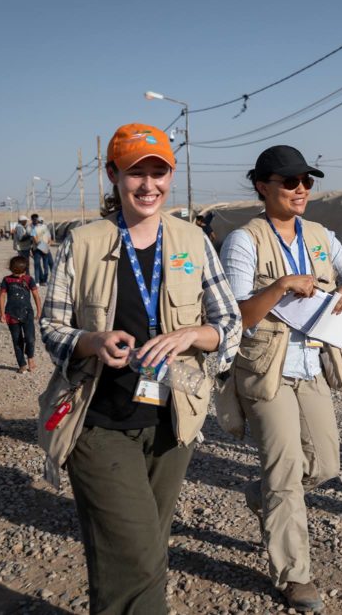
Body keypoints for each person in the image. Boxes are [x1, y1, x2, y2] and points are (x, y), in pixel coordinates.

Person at [37, 123, 241, 614]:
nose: (149, 185)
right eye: (135, 173)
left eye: (159, 172)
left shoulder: (193, 242)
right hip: (98, 421)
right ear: (113, 175)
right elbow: (51, 325)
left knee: (137, 548)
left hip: (171, 424)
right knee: (138, 552)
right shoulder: (83, 242)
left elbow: (230, 323)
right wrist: (92, 340)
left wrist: (191, 335)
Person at [219, 145, 342, 613]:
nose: (301, 189)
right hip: (267, 370)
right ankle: (294, 577)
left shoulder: (321, 236)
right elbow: (238, 315)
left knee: (325, 464)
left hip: (313, 365)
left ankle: (261, 493)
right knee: (284, 475)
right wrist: (281, 285)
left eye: (307, 181)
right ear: (262, 186)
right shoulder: (243, 241)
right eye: (290, 182)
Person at [0, 255, 41, 373]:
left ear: (25, 270)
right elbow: (2, 296)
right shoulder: (6, 280)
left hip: (27, 313)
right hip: (11, 315)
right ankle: (22, 364)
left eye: (21, 273)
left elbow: (36, 295)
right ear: (11, 269)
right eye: (16, 273)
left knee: (30, 338)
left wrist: (39, 311)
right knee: (17, 340)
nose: (19, 276)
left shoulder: (28, 279)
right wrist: (2, 313)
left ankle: (31, 357)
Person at [30, 213, 55, 287]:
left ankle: (37, 281)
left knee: (37, 265)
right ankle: (46, 281)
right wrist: (46, 247)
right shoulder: (46, 228)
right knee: (46, 265)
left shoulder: (33, 229)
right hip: (46, 249)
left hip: (38, 249)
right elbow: (50, 240)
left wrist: (43, 247)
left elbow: (35, 241)